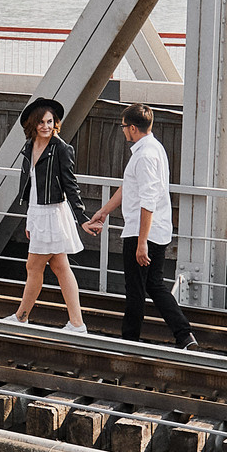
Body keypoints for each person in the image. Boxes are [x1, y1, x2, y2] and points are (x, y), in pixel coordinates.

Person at [83, 102, 197, 349]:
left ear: (133, 128)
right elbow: (128, 186)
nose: (123, 130)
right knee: (153, 285)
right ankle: (184, 335)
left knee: (135, 290)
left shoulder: (144, 156)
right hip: (157, 229)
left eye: (124, 126)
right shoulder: (154, 148)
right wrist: (103, 212)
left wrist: (142, 242)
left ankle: (130, 342)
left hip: (142, 232)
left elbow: (148, 200)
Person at [10, 97, 89, 333]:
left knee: (34, 267)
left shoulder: (61, 149)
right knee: (61, 268)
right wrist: (30, 219)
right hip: (38, 213)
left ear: (55, 123)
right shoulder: (29, 147)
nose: (46, 126)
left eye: (50, 121)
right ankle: (77, 323)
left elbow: (71, 186)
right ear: (33, 124)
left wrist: (82, 218)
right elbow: (32, 188)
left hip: (52, 214)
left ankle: (21, 317)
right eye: (41, 122)